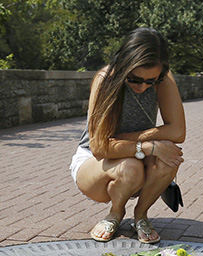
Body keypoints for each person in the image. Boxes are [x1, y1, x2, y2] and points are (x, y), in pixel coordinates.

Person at [70, 28, 185, 244]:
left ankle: (141, 215)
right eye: (134, 79)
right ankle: (115, 213)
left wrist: (128, 141)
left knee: (170, 156)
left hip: (131, 157)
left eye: (150, 81)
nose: (142, 87)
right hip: (95, 164)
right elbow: (99, 147)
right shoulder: (106, 79)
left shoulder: (163, 78)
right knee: (129, 166)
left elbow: (177, 132)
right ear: (123, 65)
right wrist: (149, 146)